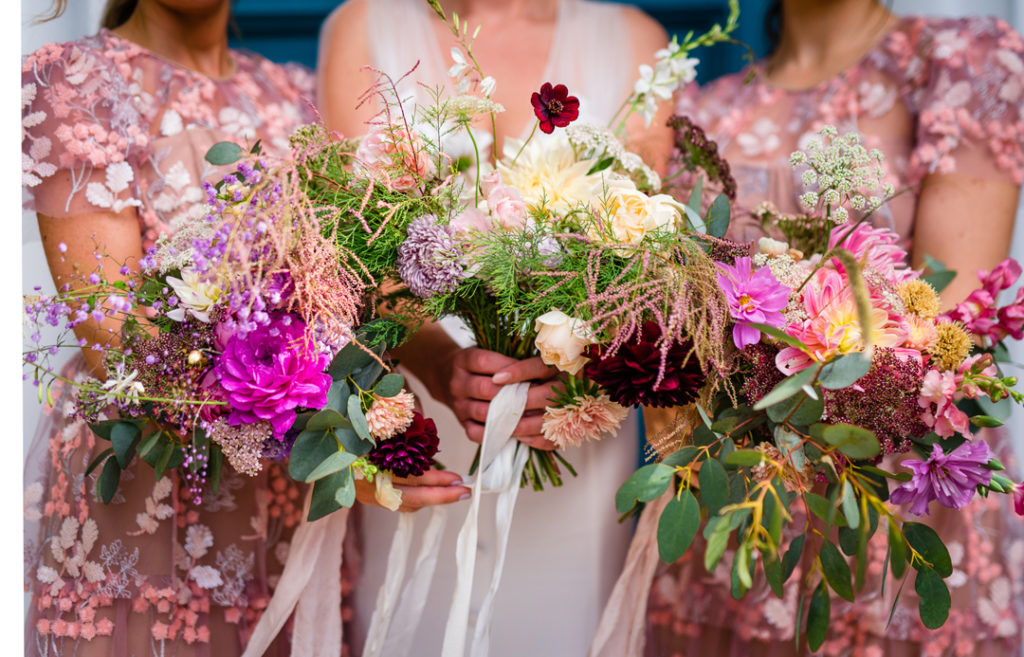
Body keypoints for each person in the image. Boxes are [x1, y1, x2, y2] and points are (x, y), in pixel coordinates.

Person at [21, 2, 470, 655]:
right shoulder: (77, 81)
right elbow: (115, 340)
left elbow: (363, 291)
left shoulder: (296, 95)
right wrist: (337, 448)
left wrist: (444, 366)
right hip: (152, 503)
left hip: (289, 513)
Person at [632, 1, 1024, 655]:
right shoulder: (703, 108)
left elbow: (948, 318)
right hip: (740, 507)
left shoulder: (961, 64)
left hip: (892, 505)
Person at [317, 0, 671, 653]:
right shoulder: (363, 24)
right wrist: (439, 365)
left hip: (569, 424)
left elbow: (653, 256)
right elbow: (353, 247)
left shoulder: (637, 40)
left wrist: (579, 374)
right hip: (422, 410)